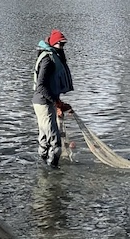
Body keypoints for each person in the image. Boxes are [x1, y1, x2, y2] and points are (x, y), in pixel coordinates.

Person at [32, 29, 75, 168]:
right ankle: (52, 174)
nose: (62, 48)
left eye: (63, 45)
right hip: (43, 104)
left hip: (44, 103)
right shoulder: (48, 60)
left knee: (44, 139)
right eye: (60, 45)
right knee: (55, 143)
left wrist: (57, 103)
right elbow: (41, 86)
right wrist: (56, 102)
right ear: (53, 44)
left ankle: (44, 168)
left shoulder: (52, 57)